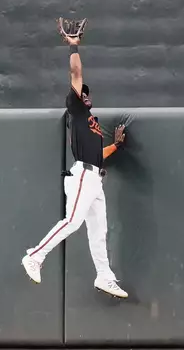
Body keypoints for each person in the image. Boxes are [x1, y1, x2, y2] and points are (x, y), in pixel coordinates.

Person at [21, 26, 128, 299]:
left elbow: (97, 155)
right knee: (72, 221)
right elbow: (77, 74)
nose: (86, 94)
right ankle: (34, 256)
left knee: (98, 232)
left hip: (95, 178)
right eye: (83, 92)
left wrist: (115, 146)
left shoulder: (91, 122)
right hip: (82, 175)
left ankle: (104, 276)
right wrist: (74, 46)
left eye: (87, 92)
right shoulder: (77, 109)